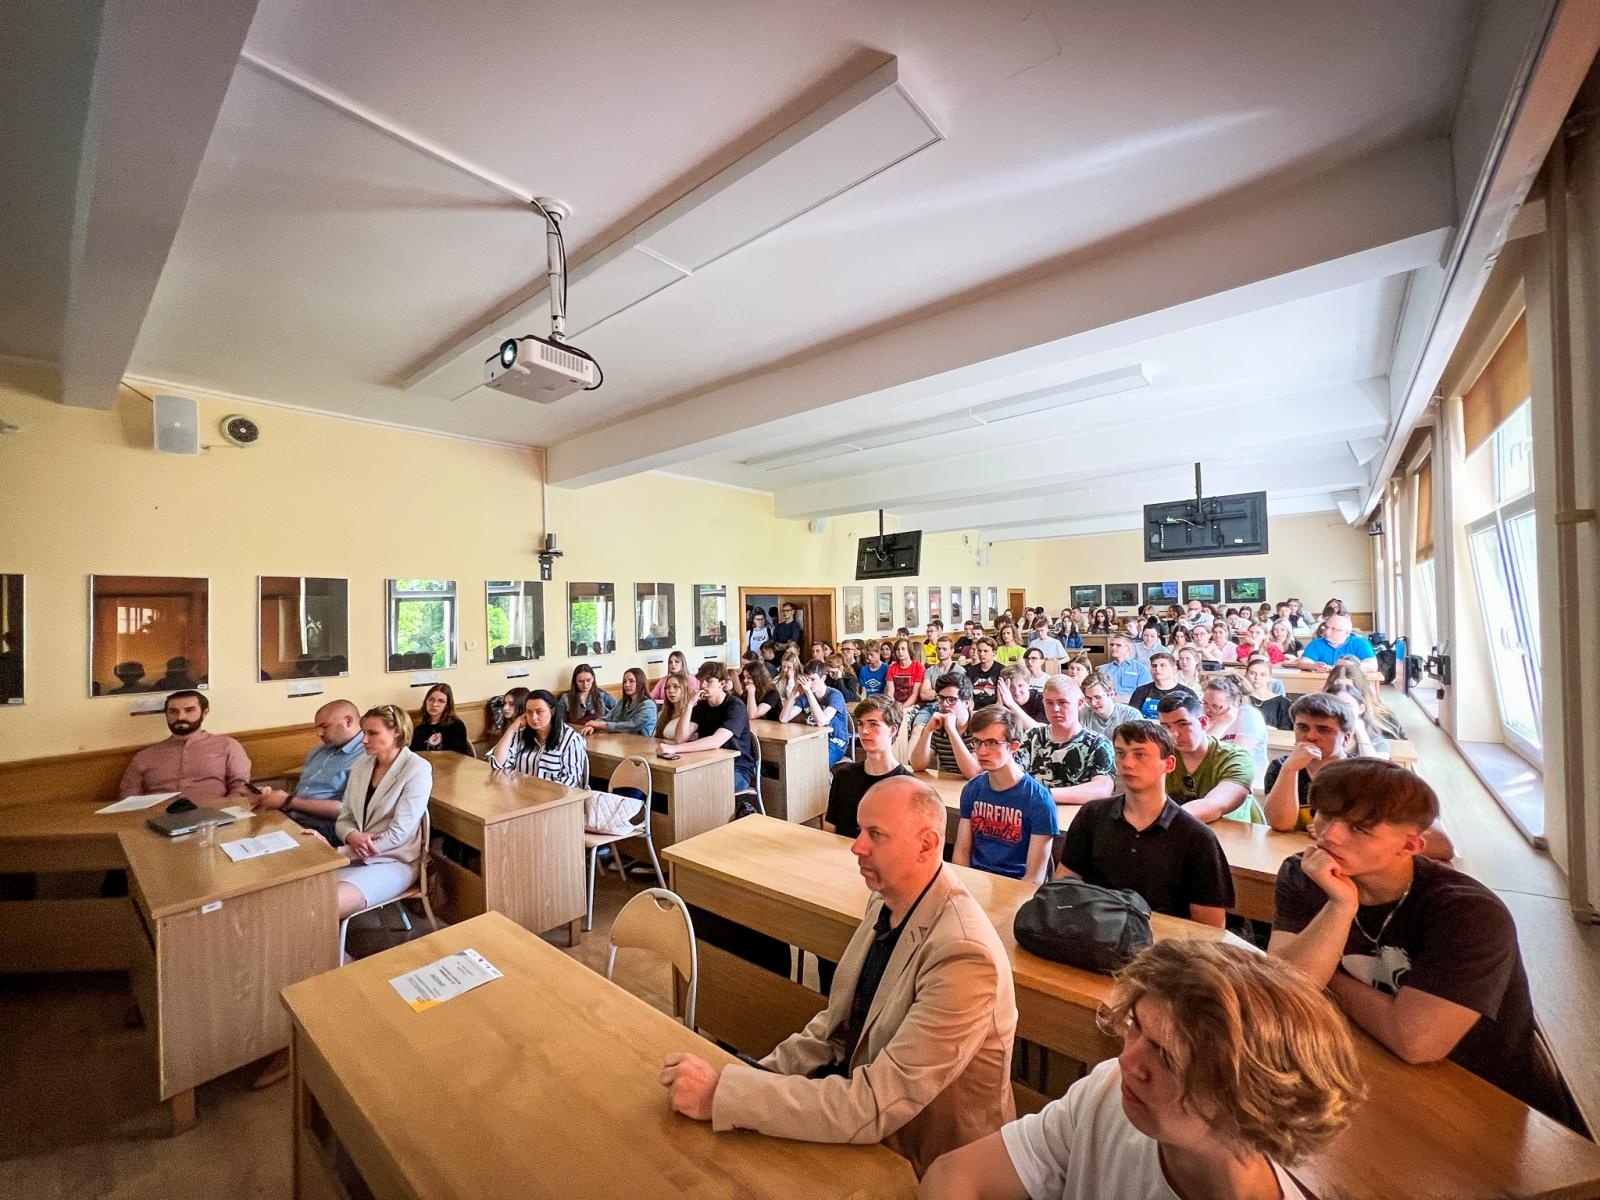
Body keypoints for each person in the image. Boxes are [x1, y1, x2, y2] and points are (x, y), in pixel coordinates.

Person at [662, 777, 1018, 1176]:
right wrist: (754, 1076)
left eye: (876, 835)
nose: (857, 846)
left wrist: (722, 1096)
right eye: (860, 830)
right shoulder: (886, 900)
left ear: (926, 845)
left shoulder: (965, 956)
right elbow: (835, 1028)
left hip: (927, 1166)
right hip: (870, 1124)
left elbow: (875, 1104)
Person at [919, 939, 1365, 1200]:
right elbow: (953, 1176)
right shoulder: (1109, 1093)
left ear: (1250, 1100)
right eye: (1136, 1029)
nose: (1129, 1062)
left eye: (1166, 1057)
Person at [1268, 759, 1579, 1131]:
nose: (1328, 835)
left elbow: (1416, 1042)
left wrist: (1328, 977)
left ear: (1412, 844)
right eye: (1323, 815)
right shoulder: (1304, 875)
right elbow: (1284, 992)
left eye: (1359, 829)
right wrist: (1341, 905)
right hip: (1369, 1075)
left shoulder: (1468, 912)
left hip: (1486, 1101)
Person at [1057, 720, 1234, 926]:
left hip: (1162, 947)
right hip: (1096, 933)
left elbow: (1210, 927)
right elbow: (1064, 885)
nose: (1127, 763)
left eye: (1140, 754)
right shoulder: (1092, 814)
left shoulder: (1197, 837)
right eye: (1121, 753)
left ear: (1168, 764)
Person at [332, 703, 432, 920]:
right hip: (359, 856)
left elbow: (399, 834)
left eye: (372, 733)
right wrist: (352, 835)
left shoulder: (417, 768)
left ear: (397, 731)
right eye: (363, 733)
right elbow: (345, 817)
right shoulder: (361, 764)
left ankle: (337, 955)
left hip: (395, 861)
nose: (364, 740)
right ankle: (332, 953)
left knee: (326, 904)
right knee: (303, 895)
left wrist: (343, 852)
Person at [952, 707, 1057, 884]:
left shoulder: (1039, 801)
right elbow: (961, 854)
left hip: (1016, 885)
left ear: (1013, 746)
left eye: (992, 743)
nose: (982, 751)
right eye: (977, 742)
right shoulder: (972, 789)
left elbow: (1033, 879)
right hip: (977, 881)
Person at [253, 699, 366, 842]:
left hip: (329, 827)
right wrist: (273, 796)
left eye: (325, 726)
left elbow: (346, 811)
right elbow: (305, 793)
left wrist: (287, 800)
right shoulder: (319, 751)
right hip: (294, 817)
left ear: (348, 721)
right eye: (318, 728)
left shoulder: (366, 755)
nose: (319, 733)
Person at [117, 690, 251, 805]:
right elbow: (129, 799)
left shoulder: (227, 746)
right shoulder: (145, 756)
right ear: (167, 714)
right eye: (173, 711)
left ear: (204, 712)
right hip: (159, 821)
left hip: (214, 819)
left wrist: (226, 812)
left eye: (189, 710)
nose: (180, 717)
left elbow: (240, 787)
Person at [1020, 677, 1115, 820]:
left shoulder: (1097, 743)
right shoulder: (1032, 737)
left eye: (1063, 702)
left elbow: (1103, 789)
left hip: (1078, 820)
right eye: (1049, 703)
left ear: (1080, 703)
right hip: (1032, 816)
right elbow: (1013, 775)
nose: (1055, 709)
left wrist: (1045, 794)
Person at [1155, 693, 1256, 823]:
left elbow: (1216, 804)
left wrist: (1166, 820)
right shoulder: (1161, 756)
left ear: (1203, 723)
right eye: (1166, 727)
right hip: (1175, 835)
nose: (1174, 734)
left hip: (1230, 837)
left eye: (1182, 724)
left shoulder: (1236, 758)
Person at [824, 696, 911, 839]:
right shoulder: (843, 776)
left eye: (873, 724)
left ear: (892, 730)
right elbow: (830, 827)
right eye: (861, 724)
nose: (864, 731)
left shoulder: (907, 785)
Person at [668, 662, 758, 792]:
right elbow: (680, 738)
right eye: (701, 681)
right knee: (682, 786)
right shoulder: (701, 707)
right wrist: (689, 705)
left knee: (705, 789)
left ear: (722, 684)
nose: (703, 685)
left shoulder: (735, 706)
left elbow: (715, 741)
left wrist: (675, 749)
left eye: (709, 681)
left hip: (737, 767)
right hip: (708, 763)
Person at [487, 689, 589, 787]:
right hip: (521, 795)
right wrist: (513, 728)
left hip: (554, 799)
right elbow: (497, 764)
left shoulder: (571, 739)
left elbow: (570, 782)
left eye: (539, 711)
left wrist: (539, 795)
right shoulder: (520, 734)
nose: (534, 717)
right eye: (529, 712)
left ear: (552, 711)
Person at [911, 673, 980, 779]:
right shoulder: (937, 725)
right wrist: (928, 730)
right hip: (946, 785)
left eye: (952, 700)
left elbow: (973, 773)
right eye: (941, 698)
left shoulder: (979, 727)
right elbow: (917, 766)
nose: (945, 704)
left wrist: (951, 731)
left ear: (966, 703)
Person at [781, 660, 849, 767]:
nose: (809, 683)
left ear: (823, 678)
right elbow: (784, 719)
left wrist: (808, 692)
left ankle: (822, 780)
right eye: (807, 679)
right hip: (813, 740)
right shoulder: (805, 697)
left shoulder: (835, 695)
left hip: (834, 742)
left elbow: (821, 721)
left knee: (816, 762)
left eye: (813, 679)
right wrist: (794, 693)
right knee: (790, 759)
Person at [1201, 674, 1268, 778]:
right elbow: (1197, 751)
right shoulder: (1202, 714)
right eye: (1205, 703)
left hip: (1247, 780)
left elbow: (1234, 758)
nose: (1207, 710)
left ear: (1234, 704)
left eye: (1215, 706)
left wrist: (1222, 724)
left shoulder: (1249, 716)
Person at [582, 667, 658, 736]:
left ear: (640, 683)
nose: (627, 685)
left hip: (643, 745)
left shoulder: (648, 705)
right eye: (625, 682)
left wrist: (600, 725)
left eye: (631, 681)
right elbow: (608, 717)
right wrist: (592, 726)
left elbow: (632, 725)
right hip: (623, 742)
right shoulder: (624, 702)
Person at [1297, 612, 1378, 673]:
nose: (1327, 631)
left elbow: (1372, 665)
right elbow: (1303, 662)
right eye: (1326, 627)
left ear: (1347, 632)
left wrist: (1346, 667)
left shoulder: (1361, 643)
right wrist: (1313, 666)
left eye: (1333, 629)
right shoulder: (1316, 643)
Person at [1126, 651, 1196, 720]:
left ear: (1174, 669)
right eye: (1154, 666)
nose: (1157, 669)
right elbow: (1132, 718)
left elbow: (1194, 719)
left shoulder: (1187, 693)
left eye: (1163, 665)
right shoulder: (1140, 691)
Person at [409, 684, 473, 756]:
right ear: (425, 702)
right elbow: (414, 754)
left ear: (448, 705)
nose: (434, 704)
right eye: (431, 700)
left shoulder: (456, 725)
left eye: (441, 701)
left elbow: (459, 756)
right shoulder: (419, 729)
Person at [1078, 673, 1142, 739]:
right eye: (1088, 698)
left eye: (1098, 697)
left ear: (1112, 694)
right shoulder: (1082, 715)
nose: (1093, 703)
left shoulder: (1131, 716)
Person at [1243, 655, 1293, 730]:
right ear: (1246, 675)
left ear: (1269, 678)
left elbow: (1286, 731)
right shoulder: (1238, 699)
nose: (1257, 678)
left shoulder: (1283, 703)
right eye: (1252, 673)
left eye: (1262, 674)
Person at [1097, 634, 1151, 701]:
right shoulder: (1103, 669)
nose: (1113, 647)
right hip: (1109, 704)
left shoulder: (1141, 669)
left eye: (1118, 645)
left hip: (1132, 704)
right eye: (1112, 645)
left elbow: (1144, 694)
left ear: (1128, 648)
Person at [996, 664, 1045, 729]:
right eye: (1012, 687)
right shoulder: (1002, 700)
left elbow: (1039, 731)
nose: (1016, 691)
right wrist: (999, 705)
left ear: (1028, 684)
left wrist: (1011, 704)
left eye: (1020, 685)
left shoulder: (1042, 701)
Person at [885, 638, 927, 708]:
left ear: (909, 651)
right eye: (898, 649)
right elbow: (890, 693)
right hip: (896, 705)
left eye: (903, 649)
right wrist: (893, 707)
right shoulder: (891, 668)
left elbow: (915, 695)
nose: (900, 652)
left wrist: (902, 708)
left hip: (913, 705)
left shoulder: (919, 667)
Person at [655, 671, 696, 740]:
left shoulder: (691, 713)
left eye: (676, 686)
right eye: (667, 687)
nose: (670, 691)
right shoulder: (662, 713)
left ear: (684, 689)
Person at [965, 638, 1004, 708]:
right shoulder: (971, 671)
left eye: (985, 651)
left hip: (994, 710)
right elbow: (969, 696)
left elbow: (1001, 701)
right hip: (975, 709)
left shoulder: (1002, 671)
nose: (982, 654)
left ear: (994, 652)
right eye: (979, 651)